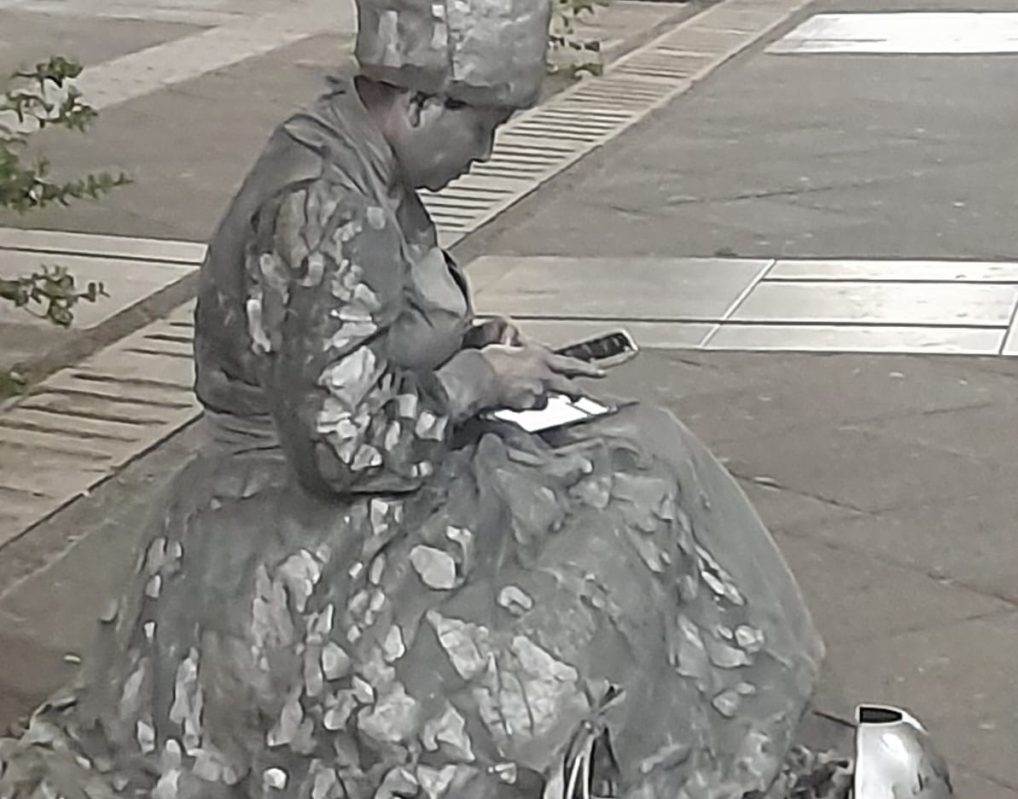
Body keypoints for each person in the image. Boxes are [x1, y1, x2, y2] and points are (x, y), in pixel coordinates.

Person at [0, 0, 828, 795]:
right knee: (621, 505)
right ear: (423, 103)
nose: (487, 153)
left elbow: (357, 339)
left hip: (327, 483)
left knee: (640, 453)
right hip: (289, 523)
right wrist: (478, 380)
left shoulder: (339, 153)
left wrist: (478, 347)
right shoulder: (333, 205)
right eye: (483, 127)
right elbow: (340, 447)